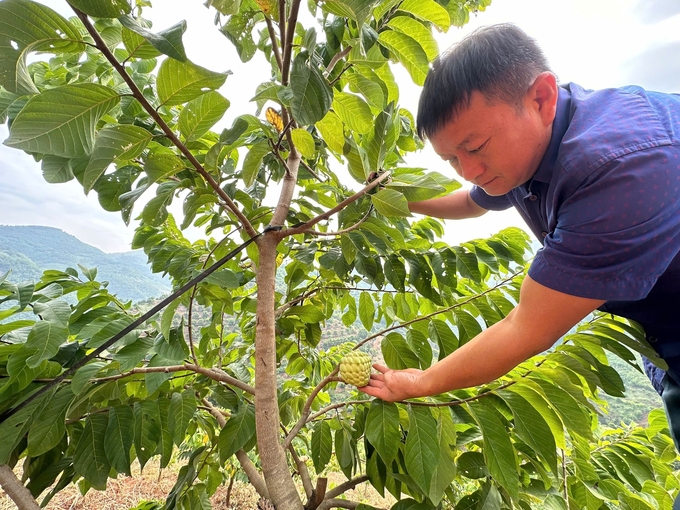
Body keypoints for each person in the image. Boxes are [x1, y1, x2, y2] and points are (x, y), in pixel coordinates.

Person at [359, 24, 680, 446]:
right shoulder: (526, 148)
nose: (469, 169)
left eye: (474, 148)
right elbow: (474, 201)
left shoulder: (621, 172)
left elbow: (524, 327)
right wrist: (395, 197)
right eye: (452, 158)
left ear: (541, 98)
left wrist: (420, 382)